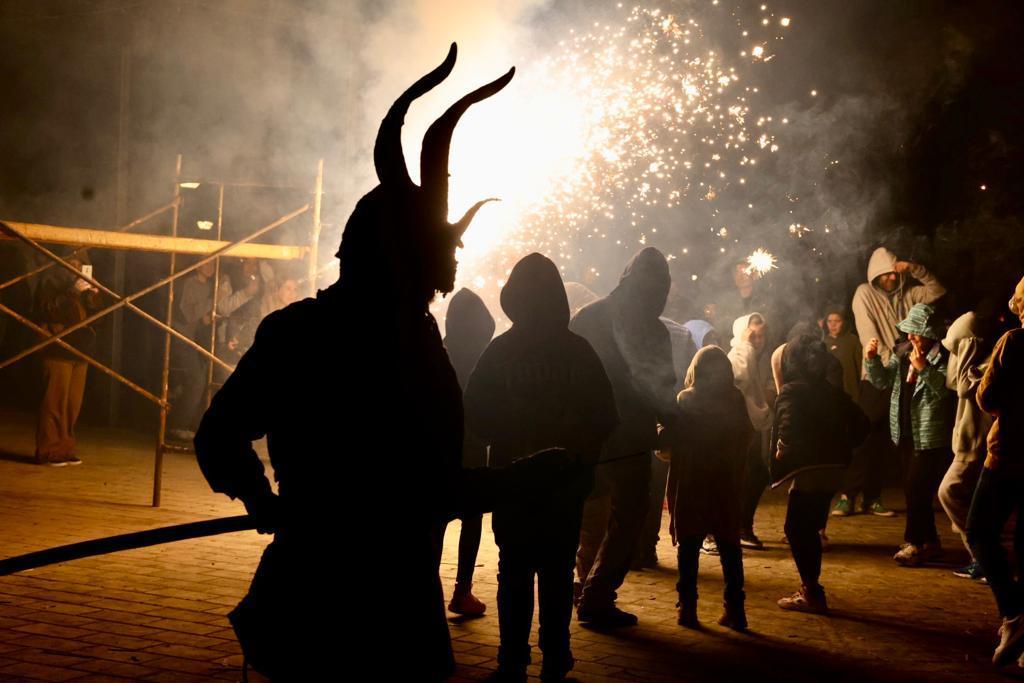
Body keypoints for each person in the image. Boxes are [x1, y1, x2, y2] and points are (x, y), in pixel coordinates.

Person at [194, 46, 578, 680]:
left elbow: (429, 493)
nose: (452, 263)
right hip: (343, 613)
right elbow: (224, 436)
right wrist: (257, 495)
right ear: (396, 253)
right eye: (440, 247)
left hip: (382, 606)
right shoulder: (319, 337)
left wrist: (524, 478)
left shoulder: (399, 339)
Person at [465, 253, 616, 682]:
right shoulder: (578, 350)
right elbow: (605, 415)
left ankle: (512, 660)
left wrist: (506, 438)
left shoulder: (502, 350)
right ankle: (555, 656)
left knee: (514, 571)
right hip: (563, 487)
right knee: (555, 571)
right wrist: (581, 453)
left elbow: (475, 413)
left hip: (516, 485)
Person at [571, 246, 678, 628]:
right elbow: (661, 387)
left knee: (586, 512)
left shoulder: (589, 316)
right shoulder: (652, 328)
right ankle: (596, 594)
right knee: (627, 513)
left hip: (590, 433)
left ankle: (583, 587)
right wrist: (672, 421)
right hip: (626, 435)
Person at [838, 247, 945, 517]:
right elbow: (867, 333)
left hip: (906, 370)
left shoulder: (910, 293)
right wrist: (888, 363)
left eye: (892, 275)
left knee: (888, 438)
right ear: (875, 276)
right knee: (863, 437)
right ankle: (847, 496)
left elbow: (937, 291)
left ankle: (872, 498)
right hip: (878, 373)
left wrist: (914, 268)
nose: (889, 280)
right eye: (883, 276)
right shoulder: (864, 293)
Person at [771, 335, 869, 613]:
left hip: (810, 468)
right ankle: (811, 589)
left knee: (796, 528)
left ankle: (811, 591)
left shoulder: (792, 390)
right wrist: (840, 447)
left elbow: (787, 425)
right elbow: (861, 425)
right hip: (835, 468)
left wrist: (785, 447)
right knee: (809, 528)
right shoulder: (831, 390)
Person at [668, 345, 752, 630]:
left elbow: (673, 438)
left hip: (692, 480)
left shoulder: (686, 399)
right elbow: (745, 437)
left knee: (689, 547)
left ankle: (687, 609)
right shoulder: (735, 398)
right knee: (730, 547)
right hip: (725, 480)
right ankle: (735, 609)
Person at [864, 303, 952, 566]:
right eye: (909, 332)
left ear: (930, 334)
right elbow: (882, 382)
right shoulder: (901, 354)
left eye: (917, 332)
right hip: (903, 431)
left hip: (928, 434)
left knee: (916, 489)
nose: (912, 337)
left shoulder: (942, 357)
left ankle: (914, 542)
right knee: (915, 491)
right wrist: (871, 360)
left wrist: (924, 368)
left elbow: (947, 393)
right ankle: (930, 542)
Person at [967, 275, 1024, 667]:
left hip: (1008, 455)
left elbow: (987, 397)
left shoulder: (1015, 342)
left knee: (980, 531)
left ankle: (1014, 613)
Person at [442, 287, 495, 617]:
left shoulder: (436, 353)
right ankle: (463, 591)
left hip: (437, 454)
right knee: (471, 520)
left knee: (434, 522)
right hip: (471, 452)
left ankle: (426, 592)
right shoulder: (482, 361)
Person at [632, 315, 696, 570]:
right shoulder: (682, 334)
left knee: (632, 490)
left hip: (635, 422)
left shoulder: (628, 326)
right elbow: (692, 378)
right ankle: (646, 548)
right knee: (656, 488)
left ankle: (634, 549)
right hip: (668, 420)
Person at [937, 312, 993, 582]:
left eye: (959, 347)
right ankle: (980, 558)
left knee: (948, 491)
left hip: (977, 445)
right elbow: (952, 382)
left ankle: (985, 557)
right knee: (969, 502)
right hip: (967, 444)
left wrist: (966, 349)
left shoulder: (983, 368)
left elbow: (962, 388)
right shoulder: (969, 368)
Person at [33, 249, 101, 466]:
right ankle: (48, 451)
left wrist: (93, 294)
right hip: (57, 349)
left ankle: (65, 448)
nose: (76, 265)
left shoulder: (82, 285)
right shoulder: (50, 280)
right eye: (72, 261)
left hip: (80, 350)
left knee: (72, 405)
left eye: (80, 262)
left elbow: (96, 315)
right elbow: (47, 310)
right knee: (54, 403)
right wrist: (72, 291)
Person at [728, 312, 775, 549]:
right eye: (753, 335)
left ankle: (742, 526)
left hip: (752, 425)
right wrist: (746, 344)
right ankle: (737, 528)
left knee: (756, 475)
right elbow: (742, 379)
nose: (759, 340)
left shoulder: (753, 355)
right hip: (739, 426)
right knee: (748, 476)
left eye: (762, 335)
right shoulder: (737, 353)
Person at [169, 259, 216, 441]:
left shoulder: (210, 285)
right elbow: (187, 314)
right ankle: (177, 425)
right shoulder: (189, 284)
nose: (210, 267)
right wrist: (212, 301)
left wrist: (206, 317)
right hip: (180, 338)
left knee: (201, 379)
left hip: (193, 339)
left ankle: (187, 423)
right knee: (197, 380)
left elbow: (200, 317)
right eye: (206, 263)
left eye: (212, 264)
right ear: (197, 265)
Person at [823, 305, 861, 403]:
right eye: (829, 321)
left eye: (837, 321)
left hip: (852, 393)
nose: (833, 325)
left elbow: (861, 367)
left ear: (844, 322)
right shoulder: (823, 343)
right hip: (831, 394)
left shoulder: (853, 340)